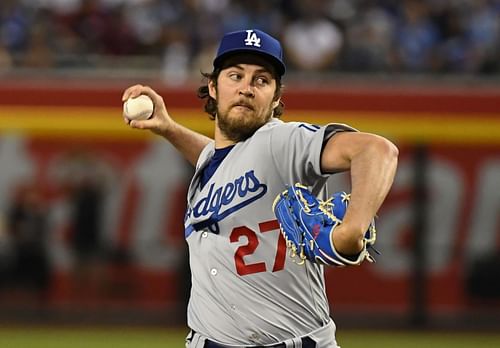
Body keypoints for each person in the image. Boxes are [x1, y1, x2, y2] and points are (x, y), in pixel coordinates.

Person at [122, 29, 398, 348]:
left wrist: (351, 229)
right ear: (213, 87)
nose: (246, 89)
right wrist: (169, 129)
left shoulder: (281, 141)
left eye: (261, 80)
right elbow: (219, 157)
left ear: (277, 98)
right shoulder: (213, 165)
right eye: (235, 76)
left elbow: (377, 150)